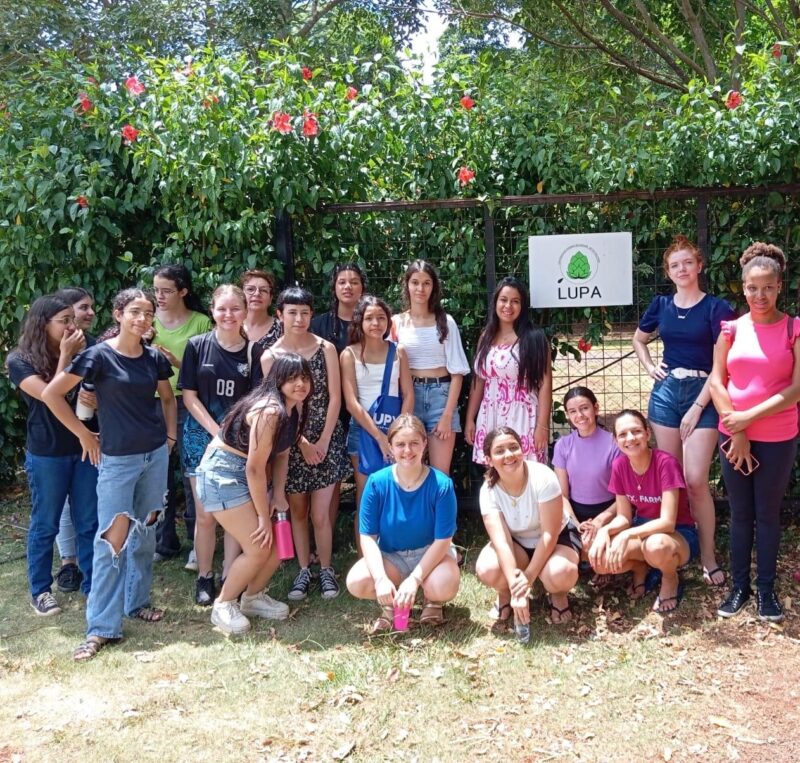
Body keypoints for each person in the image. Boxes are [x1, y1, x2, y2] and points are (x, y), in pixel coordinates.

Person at [42, 288, 177, 660]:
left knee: (146, 533)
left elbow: (168, 398)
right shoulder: (98, 356)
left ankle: (137, 603)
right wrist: (84, 434)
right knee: (111, 543)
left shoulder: (153, 358)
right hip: (118, 461)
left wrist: (170, 437)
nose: (142, 319)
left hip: (154, 457)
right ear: (118, 314)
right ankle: (101, 627)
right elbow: (53, 395)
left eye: (148, 313)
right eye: (135, 312)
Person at [632, 235, 736, 587]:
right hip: (665, 395)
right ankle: (672, 546)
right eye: (675, 265)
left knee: (694, 480)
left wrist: (696, 408)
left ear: (699, 266)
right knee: (670, 480)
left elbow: (721, 366)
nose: (682, 269)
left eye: (687, 263)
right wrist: (648, 367)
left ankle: (707, 555)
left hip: (704, 393)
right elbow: (638, 339)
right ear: (668, 271)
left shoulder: (716, 308)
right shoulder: (661, 304)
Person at [709, 242, 800, 622]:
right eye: (751, 287)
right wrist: (738, 427)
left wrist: (747, 419)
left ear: (779, 286)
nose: (758, 295)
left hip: (778, 437)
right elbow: (717, 380)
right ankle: (739, 588)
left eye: (767, 287)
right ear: (742, 287)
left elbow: (796, 389)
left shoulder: (793, 328)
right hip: (733, 434)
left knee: (767, 513)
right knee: (741, 513)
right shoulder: (730, 329)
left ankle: (765, 592)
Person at [195, 353, 312, 635]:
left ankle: (252, 598)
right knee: (260, 545)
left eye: (305, 378)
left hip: (246, 474)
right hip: (224, 474)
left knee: (275, 548)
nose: (300, 384)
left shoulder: (293, 408)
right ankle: (223, 604)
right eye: (293, 378)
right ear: (277, 380)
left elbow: (282, 456)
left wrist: (278, 495)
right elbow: (255, 469)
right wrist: (262, 516)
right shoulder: (270, 411)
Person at [7, 295, 98, 615]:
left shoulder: (88, 347)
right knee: (46, 523)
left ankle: (92, 586)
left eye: (73, 320)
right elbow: (49, 395)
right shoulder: (19, 360)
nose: (73, 326)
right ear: (43, 324)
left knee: (89, 521)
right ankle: (40, 591)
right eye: (65, 321)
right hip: (48, 452)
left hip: (87, 448)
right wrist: (66, 357)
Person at [261, 287, 350, 601]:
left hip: (327, 439)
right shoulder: (270, 357)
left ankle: (326, 569)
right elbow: (276, 406)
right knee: (298, 510)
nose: (298, 319)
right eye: (292, 312)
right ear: (280, 314)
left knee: (321, 513)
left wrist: (323, 439)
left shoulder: (326, 348)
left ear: (312, 315)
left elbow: (335, 397)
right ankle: (303, 569)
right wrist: (302, 443)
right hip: (291, 444)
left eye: (305, 312)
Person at [180, 285, 263, 606]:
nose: (229, 315)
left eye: (235, 309)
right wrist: (217, 431)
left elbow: (256, 400)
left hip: (239, 443)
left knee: (234, 510)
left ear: (245, 311)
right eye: (222, 309)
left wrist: (232, 435)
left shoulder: (253, 352)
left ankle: (231, 571)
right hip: (202, 438)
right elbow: (189, 396)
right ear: (212, 311)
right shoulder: (197, 346)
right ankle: (204, 576)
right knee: (205, 515)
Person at [346, 414, 460, 632]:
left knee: (444, 584)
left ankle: (432, 601)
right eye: (400, 444)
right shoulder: (376, 482)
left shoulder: (441, 485)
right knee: (356, 581)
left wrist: (415, 578)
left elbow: (443, 540)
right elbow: (367, 537)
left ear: (425, 444)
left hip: (431, 554)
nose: (407, 450)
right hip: (392, 556)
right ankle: (390, 606)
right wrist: (380, 578)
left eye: (414, 443)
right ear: (390, 446)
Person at [589, 410, 699, 614]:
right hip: (642, 531)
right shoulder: (620, 466)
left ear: (648, 434)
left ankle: (670, 578)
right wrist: (604, 531)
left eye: (636, 431)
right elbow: (623, 516)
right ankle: (641, 568)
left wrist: (627, 534)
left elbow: (668, 523)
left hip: (677, 536)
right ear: (615, 441)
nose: (630, 438)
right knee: (600, 560)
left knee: (655, 545)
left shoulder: (666, 463)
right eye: (622, 434)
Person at [475, 427, 580, 630]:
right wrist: (516, 586)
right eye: (499, 451)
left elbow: (549, 533)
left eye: (513, 447)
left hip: (556, 538)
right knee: (487, 568)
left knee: (560, 573)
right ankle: (504, 593)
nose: (508, 455)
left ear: (522, 449)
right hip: (518, 543)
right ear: (488, 460)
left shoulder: (543, 476)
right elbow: (502, 544)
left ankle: (558, 595)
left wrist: (529, 579)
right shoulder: (488, 490)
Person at [152, 264, 212, 567]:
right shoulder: (147, 321)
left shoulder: (201, 323)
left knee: (192, 473)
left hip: (188, 403)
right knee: (158, 473)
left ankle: (195, 541)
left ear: (183, 292)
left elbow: (205, 370)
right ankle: (163, 540)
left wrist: (176, 362)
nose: (159, 296)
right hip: (151, 405)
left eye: (166, 291)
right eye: (156, 290)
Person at [340, 296, 414, 544]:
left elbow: (408, 393)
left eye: (381, 318)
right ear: (360, 321)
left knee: (397, 490)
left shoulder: (399, 352)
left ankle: (395, 551)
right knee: (367, 494)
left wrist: (399, 433)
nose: (376, 323)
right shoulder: (349, 354)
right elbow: (351, 402)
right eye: (369, 318)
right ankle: (366, 558)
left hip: (396, 431)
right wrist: (380, 438)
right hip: (363, 433)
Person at [391, 260, 470, 474]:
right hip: (409, 397)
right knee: (408, 470)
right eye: (415, 282)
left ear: (433, 286)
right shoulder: (395, 323)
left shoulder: (446, 322)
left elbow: (457, 373)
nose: (420, 288)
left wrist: (447, 416)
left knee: (439, 474)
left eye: (426, 283)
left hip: (441, 397)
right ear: (407, 285)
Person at [465, 277, 552, 465]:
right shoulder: (485, 337)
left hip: (523, 416)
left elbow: (545, 385)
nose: (508, 306)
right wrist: (470, 419)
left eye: (515, 301)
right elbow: (479, 381)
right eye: (503, 299)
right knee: (494, 472)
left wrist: (542, 427)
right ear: (495, 302)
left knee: (525, 472)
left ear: (523, 306)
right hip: (490, 414)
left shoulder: (534, 338)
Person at [310, 263, 367, 540]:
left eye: (354, 282)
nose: (348, 287)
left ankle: (367, 535)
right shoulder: (319, 324)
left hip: (365, 410)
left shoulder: (373, 322)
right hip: (327, 412)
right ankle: (325, 541)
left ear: (362, 288)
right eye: (342, 281)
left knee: (364, 478)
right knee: (330, 481)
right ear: (334, 287)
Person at [51, 286, 97, 593]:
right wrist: (66, 355)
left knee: (86, 505)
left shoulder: (95, 346)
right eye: (82, 308)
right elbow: (49, 394)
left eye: (91, 307)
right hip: (54, 440)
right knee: (64, 507)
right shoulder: (44, 349)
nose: (89, 313)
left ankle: (90, 567)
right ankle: (68, 564)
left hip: (91, 435)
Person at [552, 387, 619, 584]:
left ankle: (601, 562)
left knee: (602, 555)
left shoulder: (613, 443)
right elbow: (562, 495)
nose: (579, 415)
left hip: (608, 512)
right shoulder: (563, 445)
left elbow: (624, 496)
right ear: (567, 415)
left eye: (584, 408)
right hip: (575, 514)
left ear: (596, 408)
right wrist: (576, 524)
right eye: (573, 411)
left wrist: (598, 523)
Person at [241, 269, 282, 349]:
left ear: (270, 299)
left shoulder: (283, 330)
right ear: (241, 296)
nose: (257, 294)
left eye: (263, 290)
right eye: (250, 289)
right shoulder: (232, 326)